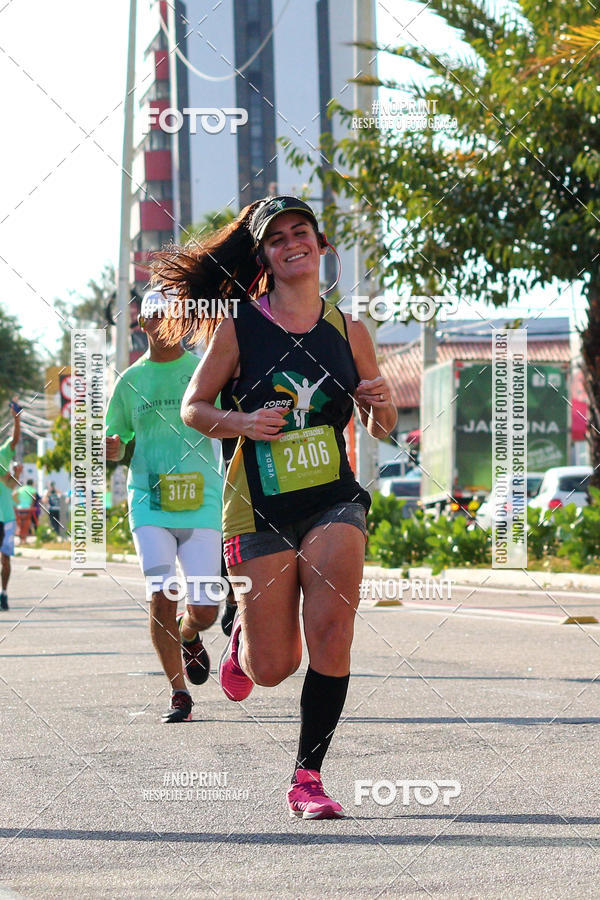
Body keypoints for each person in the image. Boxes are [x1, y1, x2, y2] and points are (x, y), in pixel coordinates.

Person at [152, 196, 397, 817]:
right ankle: (240, 642)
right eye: (278, 238)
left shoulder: (350, 331)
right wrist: (242, 421)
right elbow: (194, 407)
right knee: (273, 667)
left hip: (332, 499)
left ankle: (308, 777)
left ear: (322, 245)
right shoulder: (240, 326)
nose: (293, 243)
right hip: (258, 505)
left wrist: (379, 399)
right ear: (263, 256)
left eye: (302, 232)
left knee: (333, 630)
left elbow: (380, 425)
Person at [105, 290, 224, 723]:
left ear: (182, 320)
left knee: (206, 609)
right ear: (142, 324)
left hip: (202, 502)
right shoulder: (129, 382)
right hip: (149, 503)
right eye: (151, 315)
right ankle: (179, 694)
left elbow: (227, 423)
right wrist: (113, 449)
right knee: (162, 593)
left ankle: (190, 635)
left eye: (168, 314)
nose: (160, 321)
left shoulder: (202, 371)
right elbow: (115, 447)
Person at [0, 401, 22, 610]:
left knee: (5, 560)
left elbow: (15, 439)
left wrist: (17, 418)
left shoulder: (4, 453)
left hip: (6, 517)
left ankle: (4, 593)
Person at [14, 478, 36, 542]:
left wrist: (17, 502)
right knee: (26, 523)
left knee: (20, 523)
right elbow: (33, 499)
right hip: (27, 508)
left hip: (19, 508)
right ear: (32, 483)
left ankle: (21, 539)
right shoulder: (32, 489)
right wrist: (31, 506)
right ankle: (24, 539)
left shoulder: (21, 488)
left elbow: (14, 494)